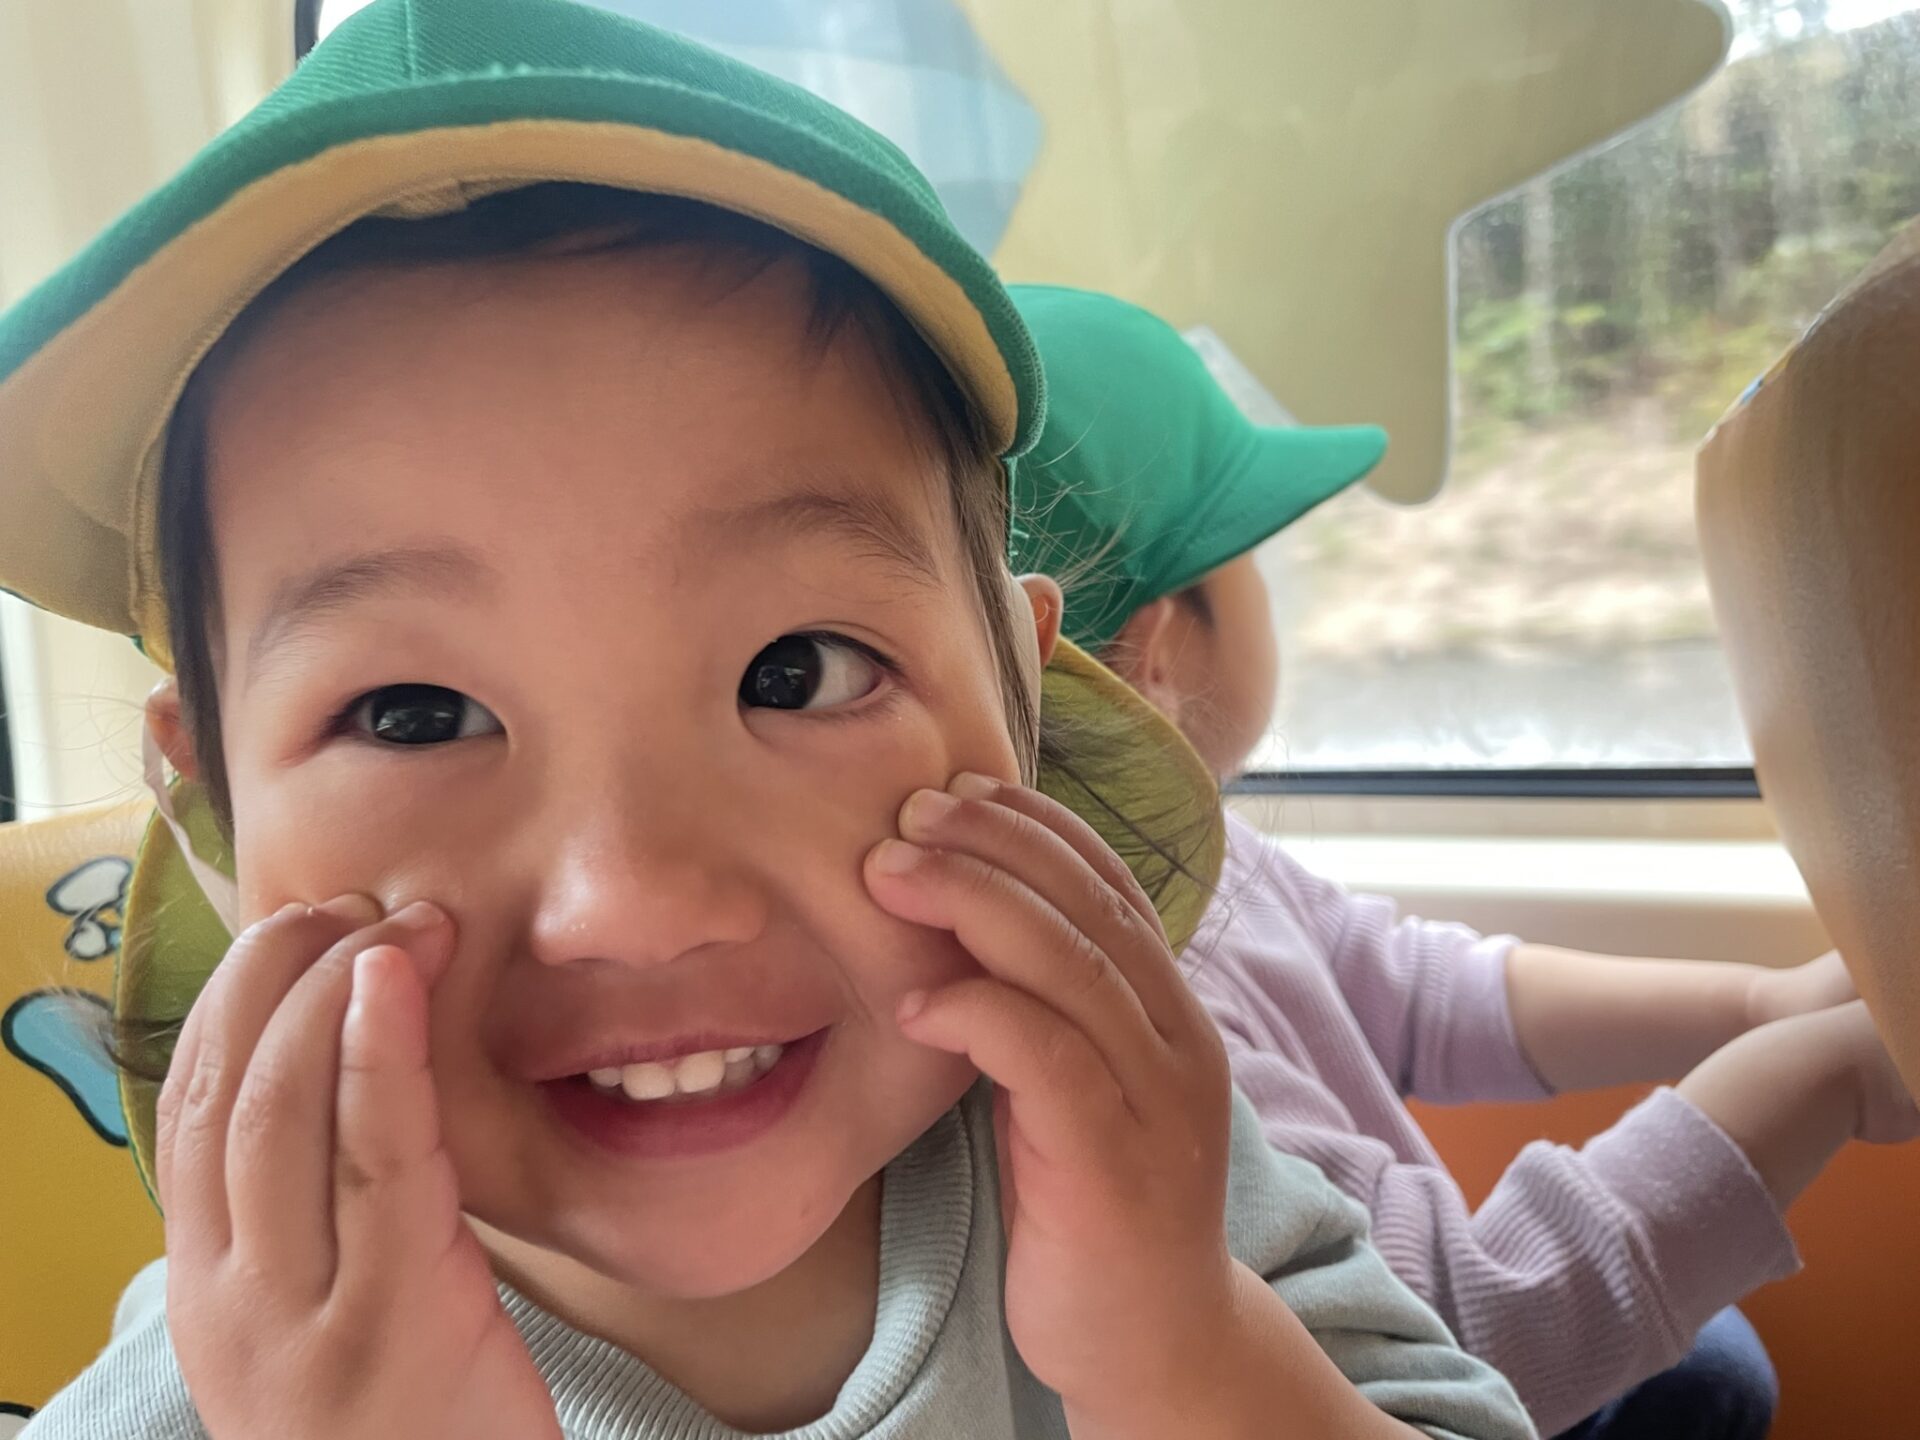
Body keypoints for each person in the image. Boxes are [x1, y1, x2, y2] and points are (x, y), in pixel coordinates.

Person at [0, 4, 1536, 1439]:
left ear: (1018, 699)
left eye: (797, 670)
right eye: (414, 714)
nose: (636, 903)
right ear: (212, 817)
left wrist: (1183, 1350)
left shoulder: (1136, 1172)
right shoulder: (225, 1389)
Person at [1008, 282, 1920, 1440]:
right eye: (1250, 566)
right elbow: (1456, 1330)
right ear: (1159, 652)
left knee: (1712, 1369)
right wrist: (1821, 1076)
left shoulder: (1199, 853)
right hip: (1406, 1398)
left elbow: (1426, 993)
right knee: (1708, 1377)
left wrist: (1759, 1004)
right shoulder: (1143, 1039)